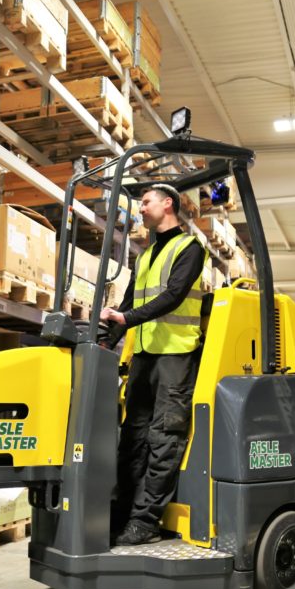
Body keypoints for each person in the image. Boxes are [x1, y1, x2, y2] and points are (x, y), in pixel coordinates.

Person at [100, 183, 207, 546]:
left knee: (164, 439)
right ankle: (122, 513)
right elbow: (129, 303)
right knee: (132, 438)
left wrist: (126, 320)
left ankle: (145, 522)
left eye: (145, 202)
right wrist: (104, 342)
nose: (140, 209)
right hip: (145, 356)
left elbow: (174, 296)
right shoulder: (144, 255)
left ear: (167, 204)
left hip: (176, 356)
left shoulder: (189, 248)